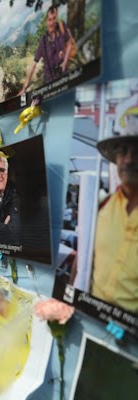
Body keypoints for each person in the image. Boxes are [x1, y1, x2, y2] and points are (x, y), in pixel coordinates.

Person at [91, 94, 138, 313]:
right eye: (123, 151)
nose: (129, 160)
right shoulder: (101, 206)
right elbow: (83, 262)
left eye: (137, 152)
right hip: (92, 317)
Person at [18, 5, 74, 96]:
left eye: (54, 19)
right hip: (50, 86)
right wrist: (24, 88)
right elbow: (33, 64)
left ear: (56, 19)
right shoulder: (43, 42)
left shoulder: (61, 31)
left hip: (64, 79)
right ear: (46, 21)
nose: (51, 22)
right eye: (49, 19)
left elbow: (69, 44)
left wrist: (64, 62)